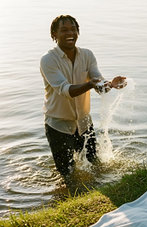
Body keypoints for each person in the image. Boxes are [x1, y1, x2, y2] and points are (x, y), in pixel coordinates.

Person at [40, 15, 127, 178]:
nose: (70, 33)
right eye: (64, 30)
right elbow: (66, 90)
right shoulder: (48, 60)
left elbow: (99, 85)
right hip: (58, 125)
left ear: (78, 32)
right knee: (66, 173)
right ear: (54, 34)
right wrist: (90, 84)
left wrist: (111, 84)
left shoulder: (87, 55)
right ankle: (68, 197)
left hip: (84, 123)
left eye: (73, 29)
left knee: (95, 165)